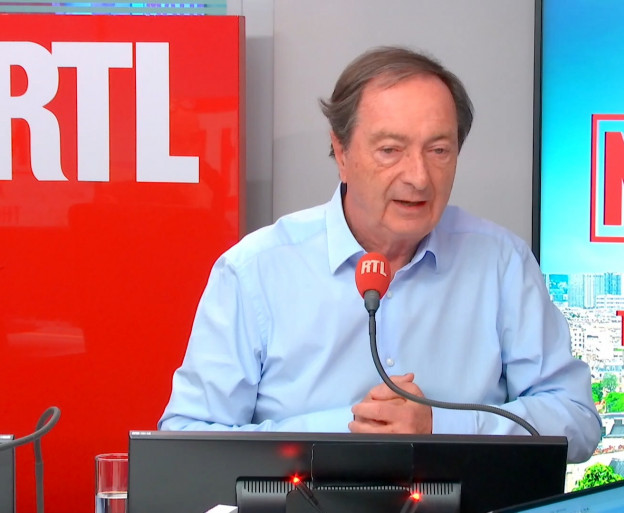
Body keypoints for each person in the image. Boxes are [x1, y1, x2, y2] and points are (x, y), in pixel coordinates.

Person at [159, 46, 601, 463]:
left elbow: (577, 421)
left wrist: (440, 426)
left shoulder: (501, 262)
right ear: (341, 152)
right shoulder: (255, 271)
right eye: (390, 150)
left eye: (439, 150)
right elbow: (186, 442)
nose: (419, 177)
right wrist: (350, 430)